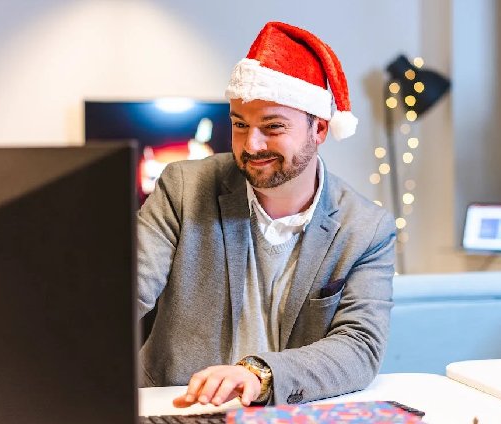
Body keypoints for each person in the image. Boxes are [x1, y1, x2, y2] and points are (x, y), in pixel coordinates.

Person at [137, 21, 396, 408]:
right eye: (240, 125)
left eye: (272, 127)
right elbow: (127, 288)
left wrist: (258, 373)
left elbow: (358, 347)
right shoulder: (183, 188)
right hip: (180, 405)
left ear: (319, 129)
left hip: (289, 410)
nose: (251, 144)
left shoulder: (367, 227)